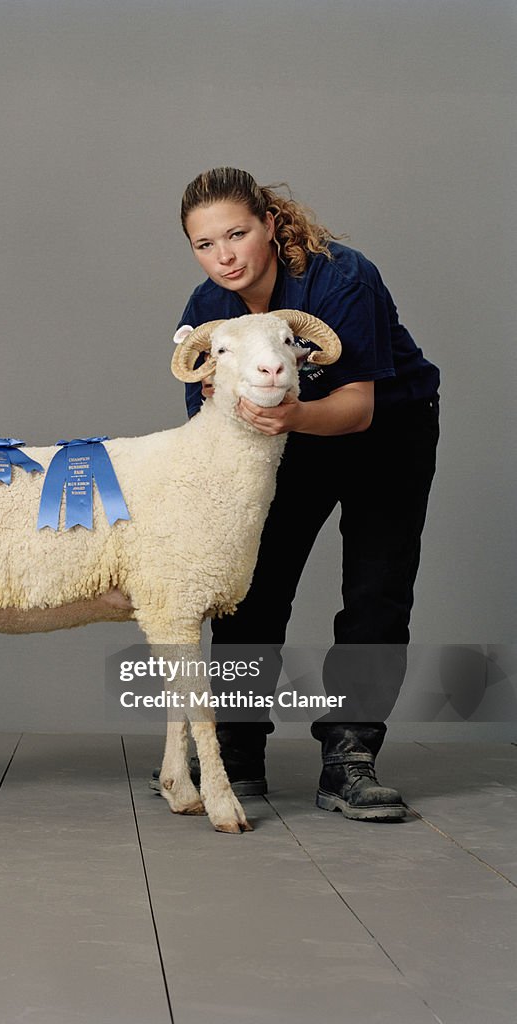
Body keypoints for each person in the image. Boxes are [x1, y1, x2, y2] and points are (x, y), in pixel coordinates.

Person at [152, 166, 440, 821]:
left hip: (386, 430)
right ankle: (237, 752)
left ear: (271, 225)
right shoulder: (207, 310)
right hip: (280, 441)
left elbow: (358, 407)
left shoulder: (342, 278)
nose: (223, 256)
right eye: (204, 244)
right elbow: (206, 426)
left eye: (237, 234)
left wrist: (285, 414)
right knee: (249, 588)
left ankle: (349, 761)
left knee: (376, 591)